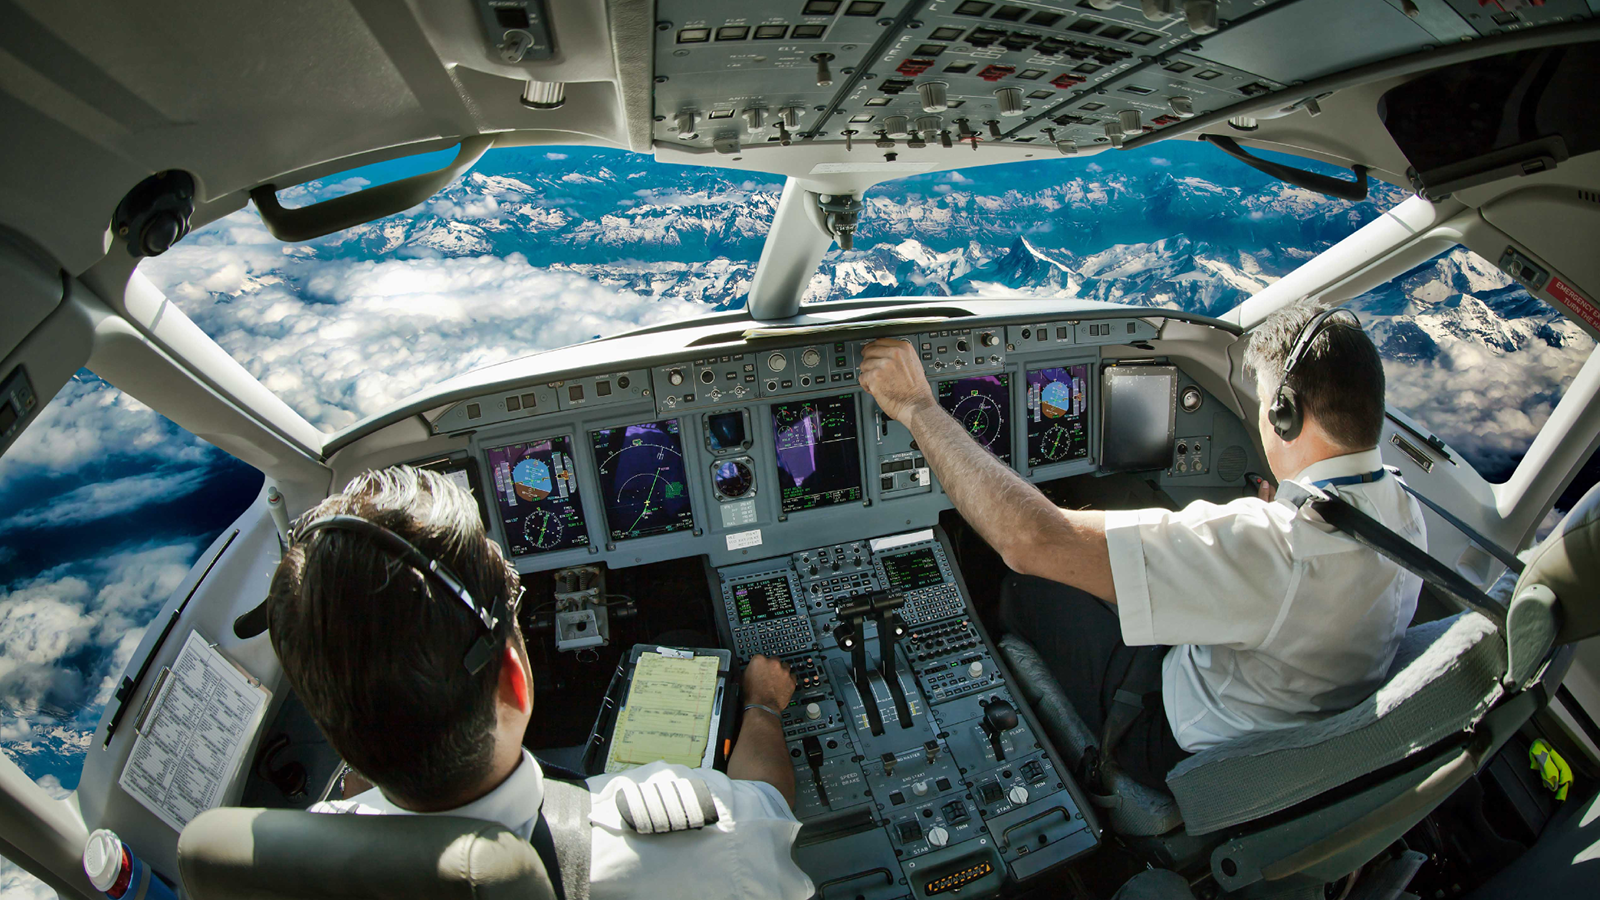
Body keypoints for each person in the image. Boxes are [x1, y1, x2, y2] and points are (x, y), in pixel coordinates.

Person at [857, 304, 1425, 790]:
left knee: (1025, 582)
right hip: (1291, 715)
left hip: (1173, 736)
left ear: (1285, 414)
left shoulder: (1269, 545)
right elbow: (1295, 576)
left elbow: (1029, 540)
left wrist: (917, 407)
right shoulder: (1402, 511)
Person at [267, 466, 813, 900]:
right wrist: (762, 704)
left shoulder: (288, 873)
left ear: (326, 715)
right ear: (514, 680)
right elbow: (766, 803)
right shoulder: (712, 839)